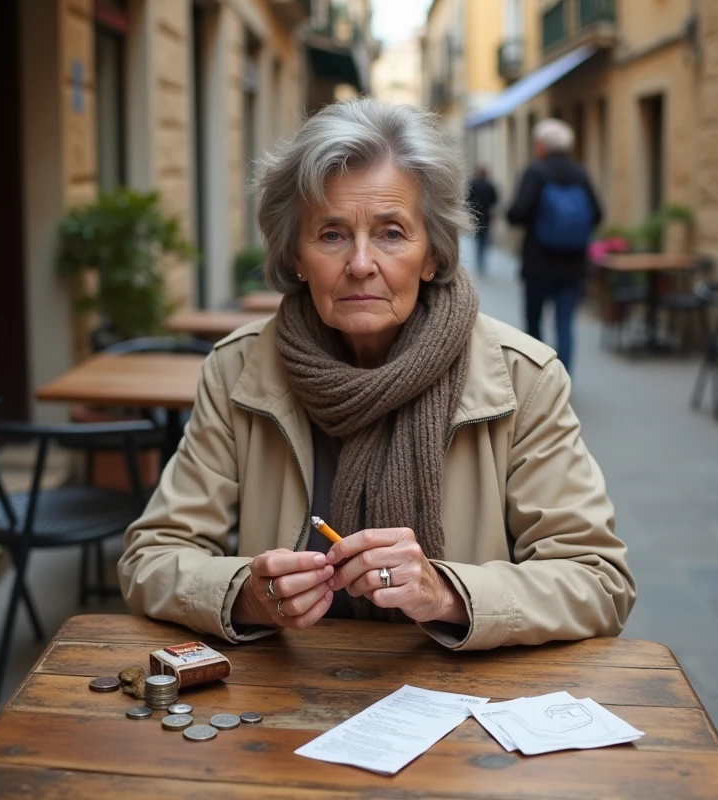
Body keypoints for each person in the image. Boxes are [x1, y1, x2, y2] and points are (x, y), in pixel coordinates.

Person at [119, 99, 633, 651]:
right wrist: (244, 593)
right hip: (279, 705)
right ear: (295, 254)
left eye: (391, 233)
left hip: (457, 710)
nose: (361, 263)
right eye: (332, 234)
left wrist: (447, 594)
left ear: (432, 254)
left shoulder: (522, 378)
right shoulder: (237, 369)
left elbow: (597, 580)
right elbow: (151, 557)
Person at [506, 119, 603, 373]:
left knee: (534, 323)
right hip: (573, 265)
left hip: (539, 263)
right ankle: (564, 381)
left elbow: (517, 213)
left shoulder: (536, 172)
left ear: (540, 147)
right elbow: (598, 214)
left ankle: (538, 384)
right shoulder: (580, 173)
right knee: (565, 323)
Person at [466, 167, 498, 276]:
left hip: (476, 217)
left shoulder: (473, 184)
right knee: (484, 240)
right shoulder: (490, 186)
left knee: (478, 240)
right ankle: (482, 263)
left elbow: (468, 201)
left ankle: (479, 261)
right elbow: (495, 202)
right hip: (487, 217)